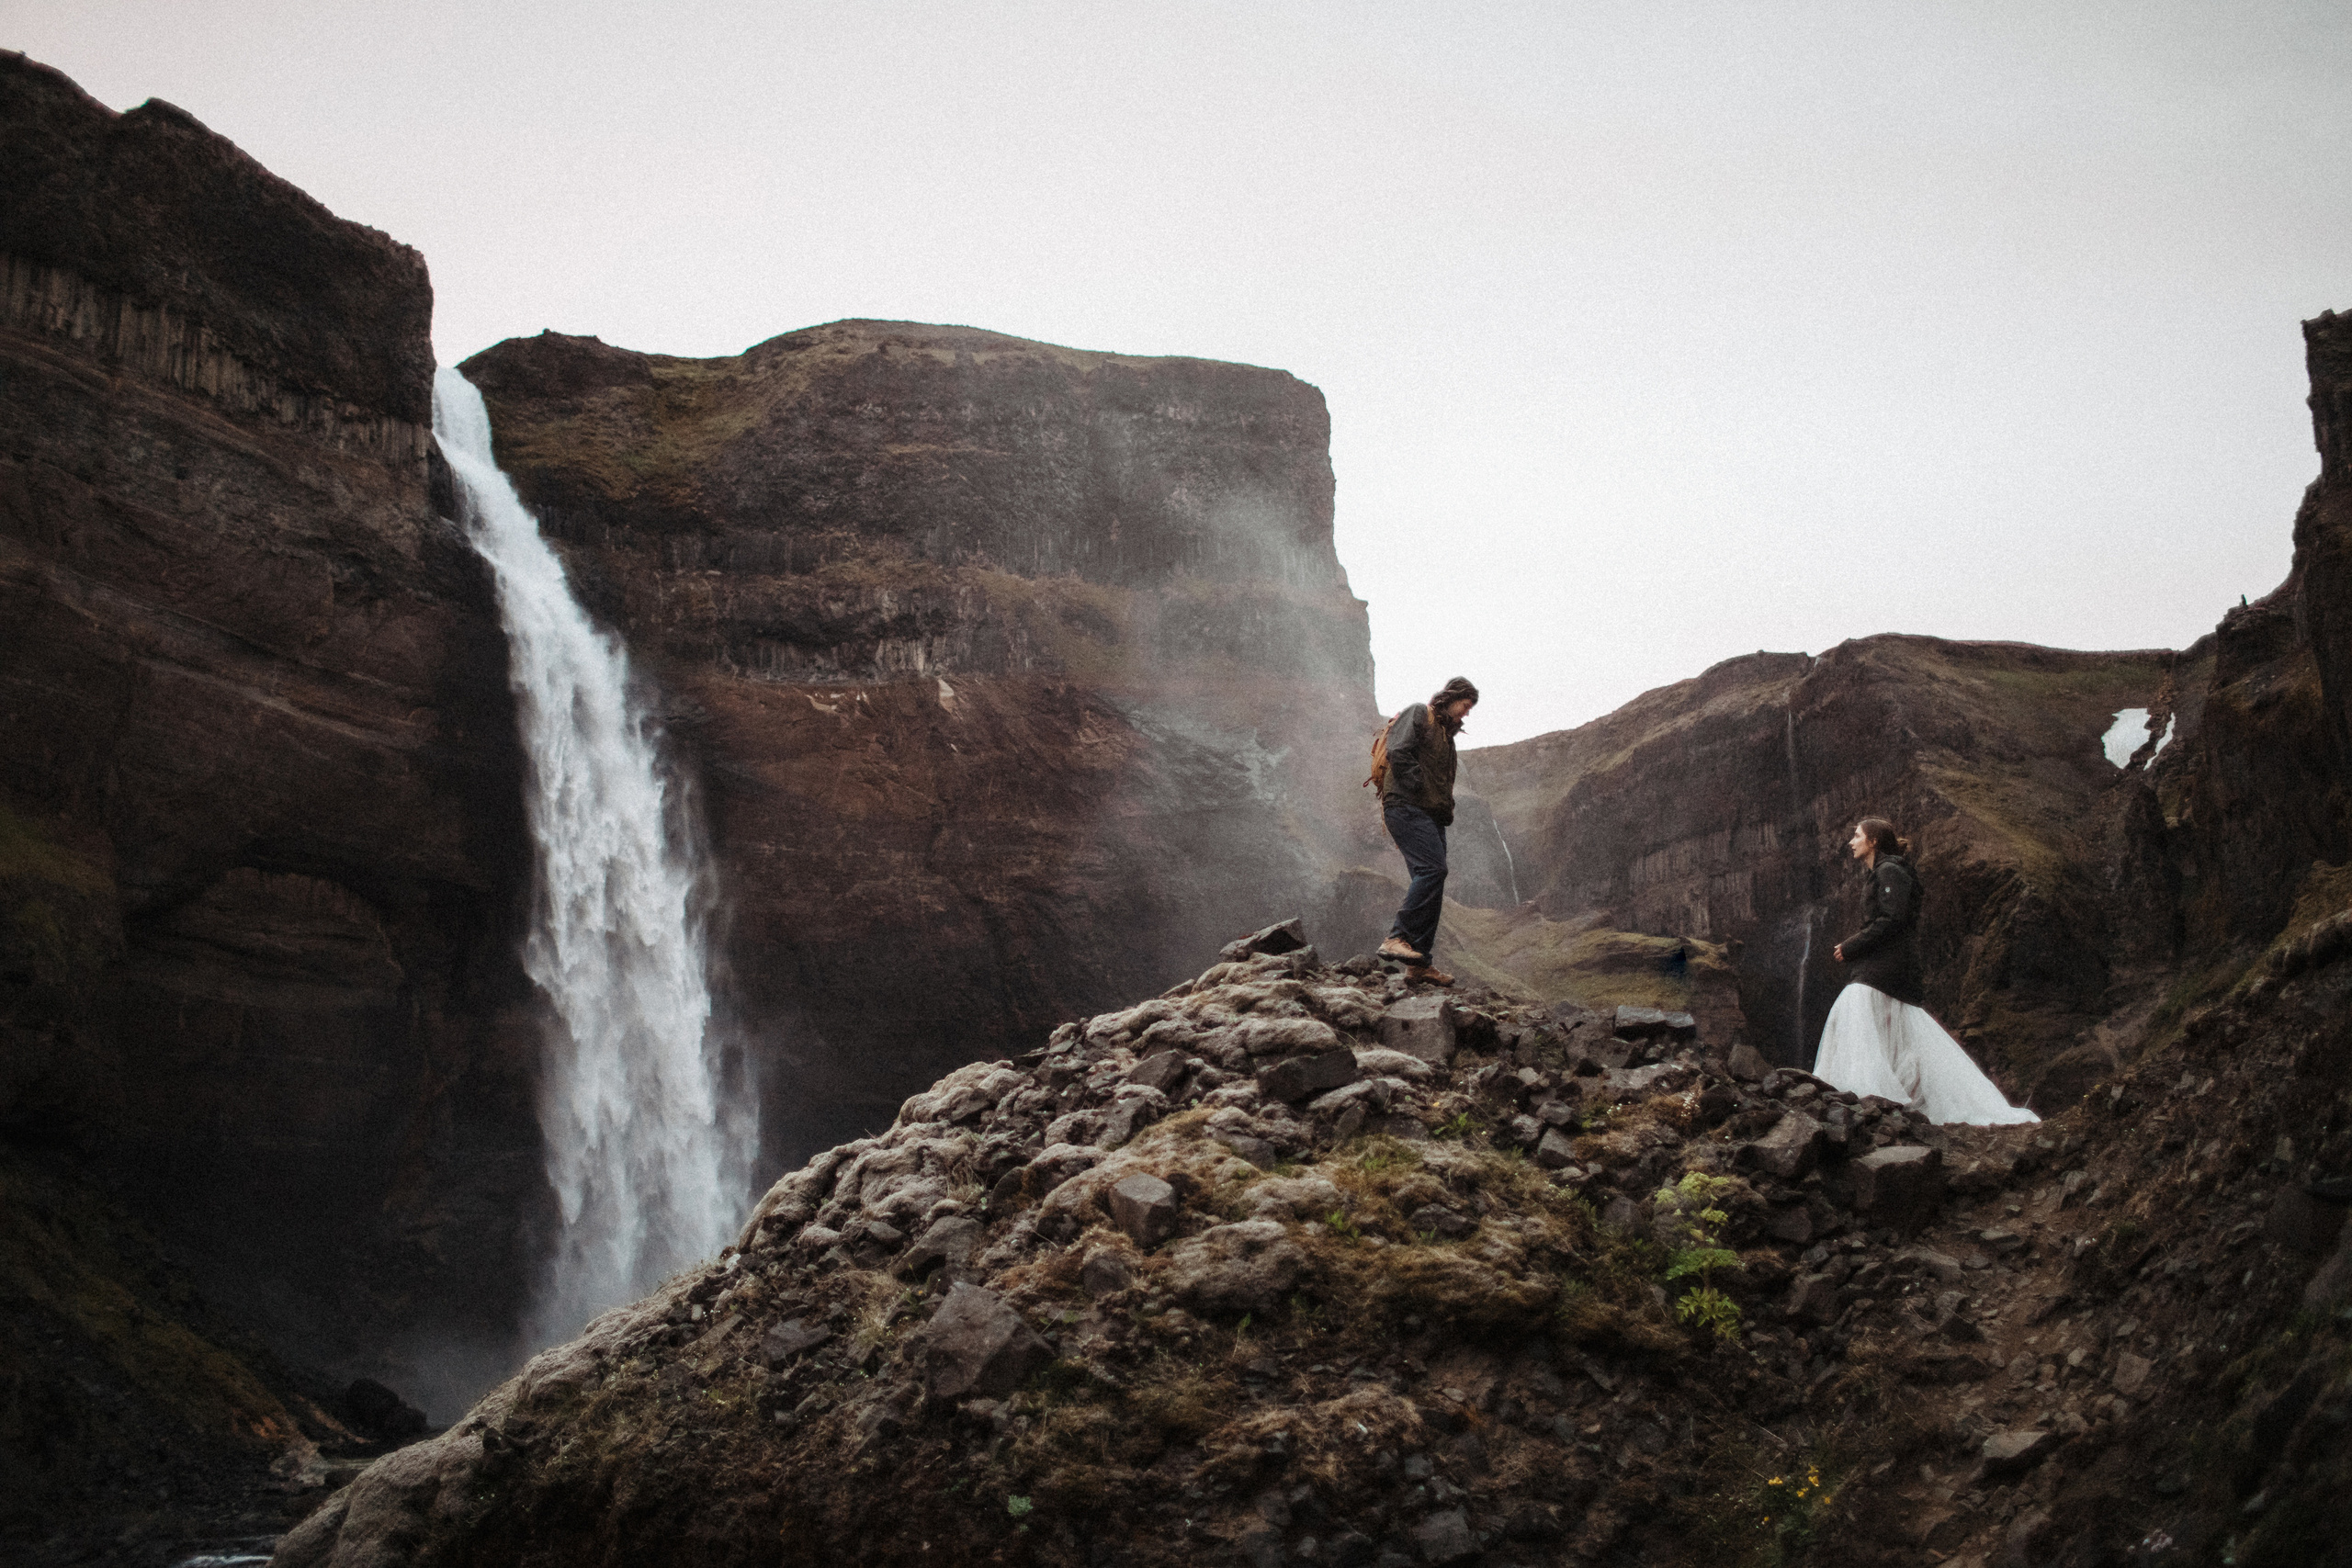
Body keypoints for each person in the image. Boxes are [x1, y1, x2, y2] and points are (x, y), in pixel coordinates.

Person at [1816, 818, 2038, 1124]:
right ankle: (1871, 1100)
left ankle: (1862, 1099)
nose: (1851, 842)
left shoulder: (1890, 871)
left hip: (1886, 967)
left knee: (1854, 1007)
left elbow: (1893, 919)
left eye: (1856, 836)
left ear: (1873, 841)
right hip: (1883, 966)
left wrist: (1852, 946)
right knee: (1878, 1022)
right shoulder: (1884, 872)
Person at [1375, 677, 1478, 985]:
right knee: (1433, 870)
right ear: (1452, 698)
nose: (1468, 713)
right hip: (1406, 806)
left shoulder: (1448, 739)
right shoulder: (1419, 713)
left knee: (1433, 879)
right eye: (1466, 705)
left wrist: (1443, 811)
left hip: (1430, 815)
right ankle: (1397, 937)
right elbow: (1398, 750)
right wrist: (1418, 786)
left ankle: (1419, 964)